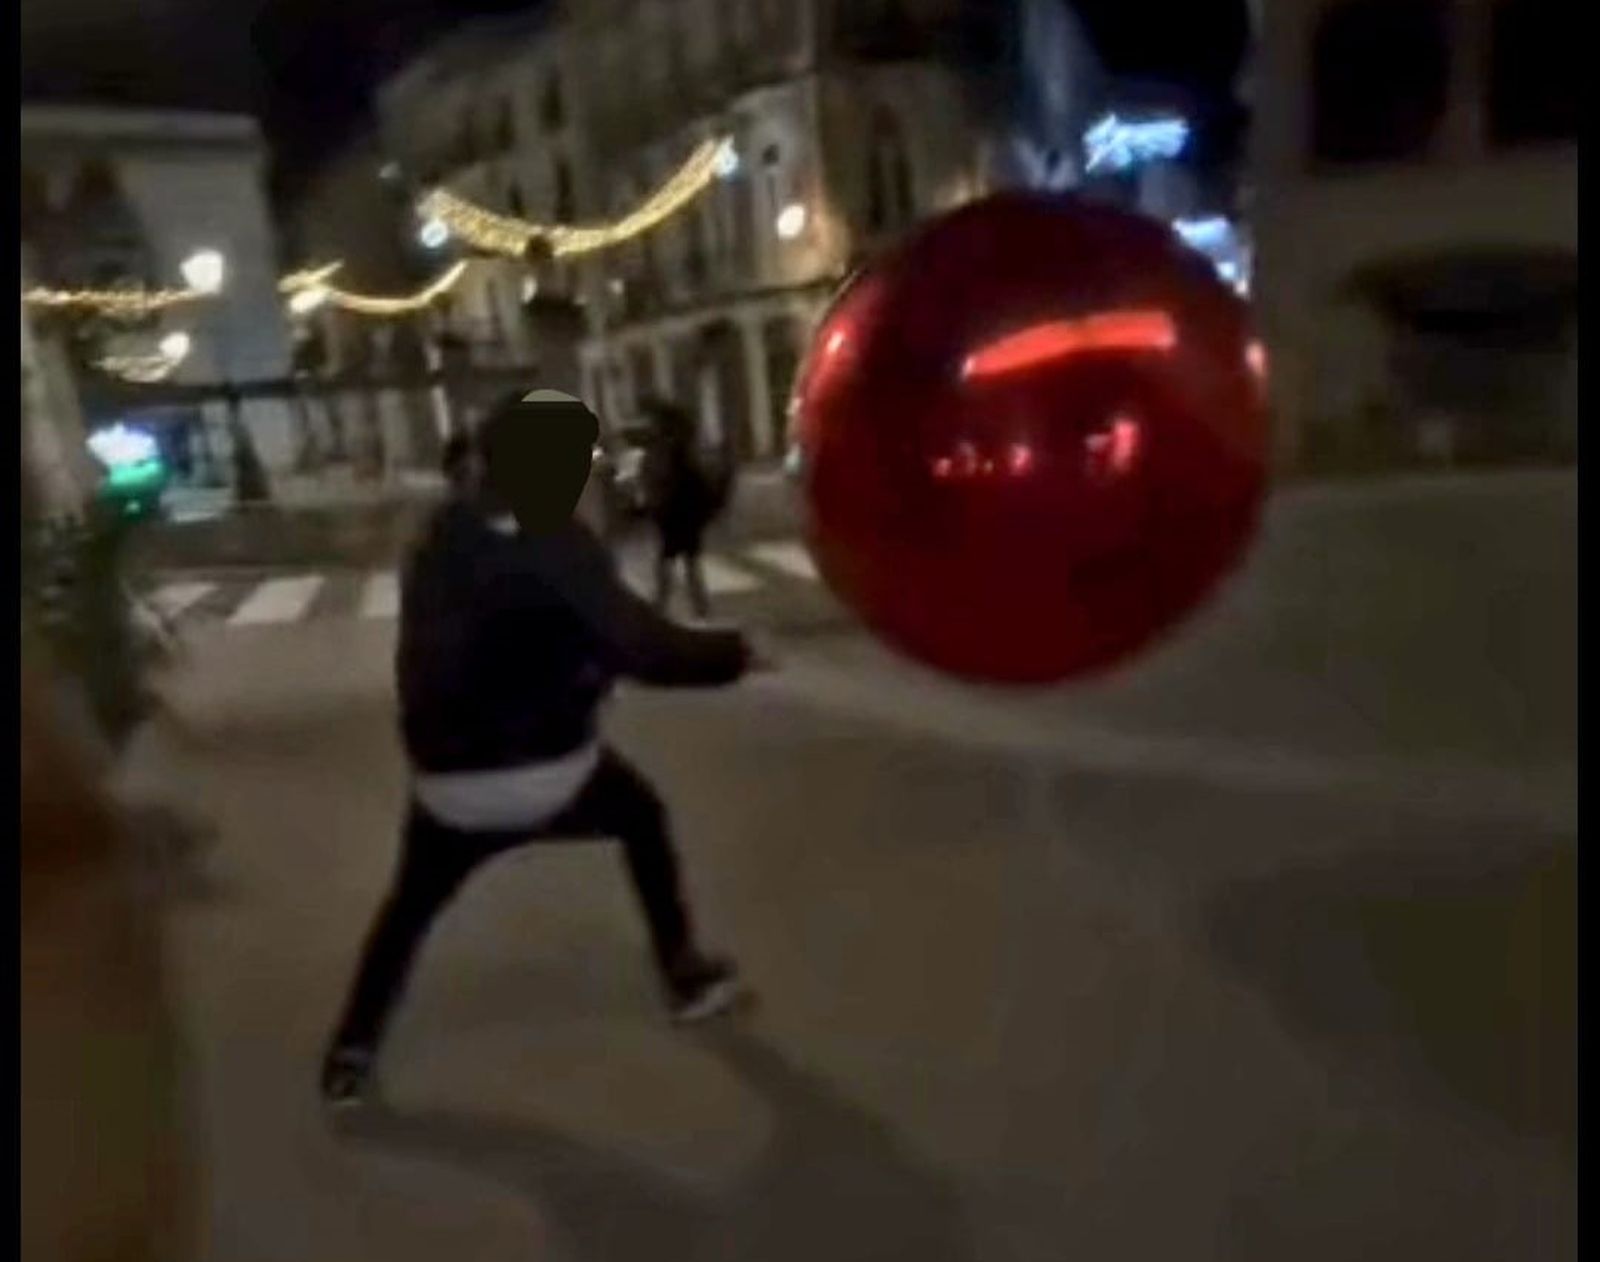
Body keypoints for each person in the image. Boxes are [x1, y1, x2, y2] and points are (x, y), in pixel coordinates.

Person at [321, 389, 755, 1109]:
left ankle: (351, 1053)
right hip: (553, 774)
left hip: (448, 787)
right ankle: (686, 977)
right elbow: (646, 649)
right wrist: (736, 655)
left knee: (407, 909)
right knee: (641, 818)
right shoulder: (560, 544)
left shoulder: (437, 540)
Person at [640, 396, 732, 621]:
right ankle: (698, 608)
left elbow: (662, 479)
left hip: (674, 512)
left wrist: (655, 504)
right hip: (684, 513)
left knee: (670, 561)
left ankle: (664, 605)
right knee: (688, 562)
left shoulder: (668, 447)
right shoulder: (681, 446)